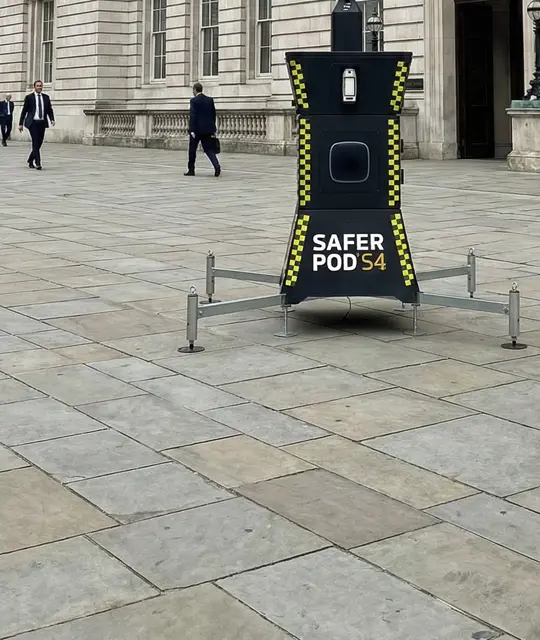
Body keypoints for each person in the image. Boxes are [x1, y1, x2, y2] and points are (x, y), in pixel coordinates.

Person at [185, 82, 221, 177]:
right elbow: (213, 115)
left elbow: (193, 115)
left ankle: (191, 170)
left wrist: (191, 130)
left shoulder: (194, 101)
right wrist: (212, 127)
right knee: (209, 150)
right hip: (208, 129)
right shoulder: (209, 100)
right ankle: (216, 165)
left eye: (193, 90)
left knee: (192, 150)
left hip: (197, 130)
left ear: (195, 90)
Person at [18, 80, 55, 170]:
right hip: (33, 122)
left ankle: (30, 159)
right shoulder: (29, 97)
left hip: (42, 122)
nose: (39, 87)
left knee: (39, 142)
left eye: (40, 86)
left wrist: (52, 119)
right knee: (35, 142)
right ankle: (38, 163)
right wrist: (20, 124)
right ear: (34, 87)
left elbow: (49, 109)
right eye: (37, 86)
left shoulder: (46, 97)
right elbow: (24, 111)